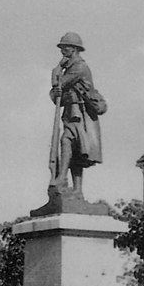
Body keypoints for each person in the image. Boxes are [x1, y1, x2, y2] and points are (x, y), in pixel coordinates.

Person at [49, 32, 102, 193]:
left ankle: (61, 178)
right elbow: (55, 94)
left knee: (66, 141)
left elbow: (59, 85)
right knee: (77, 152)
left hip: (81, 115)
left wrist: (58, 68)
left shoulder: (79, 67)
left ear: (73, 49)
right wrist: (57, 92)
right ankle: (77, 190)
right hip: (71, 112)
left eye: (64, 47)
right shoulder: (72, 67)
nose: (62, 50)